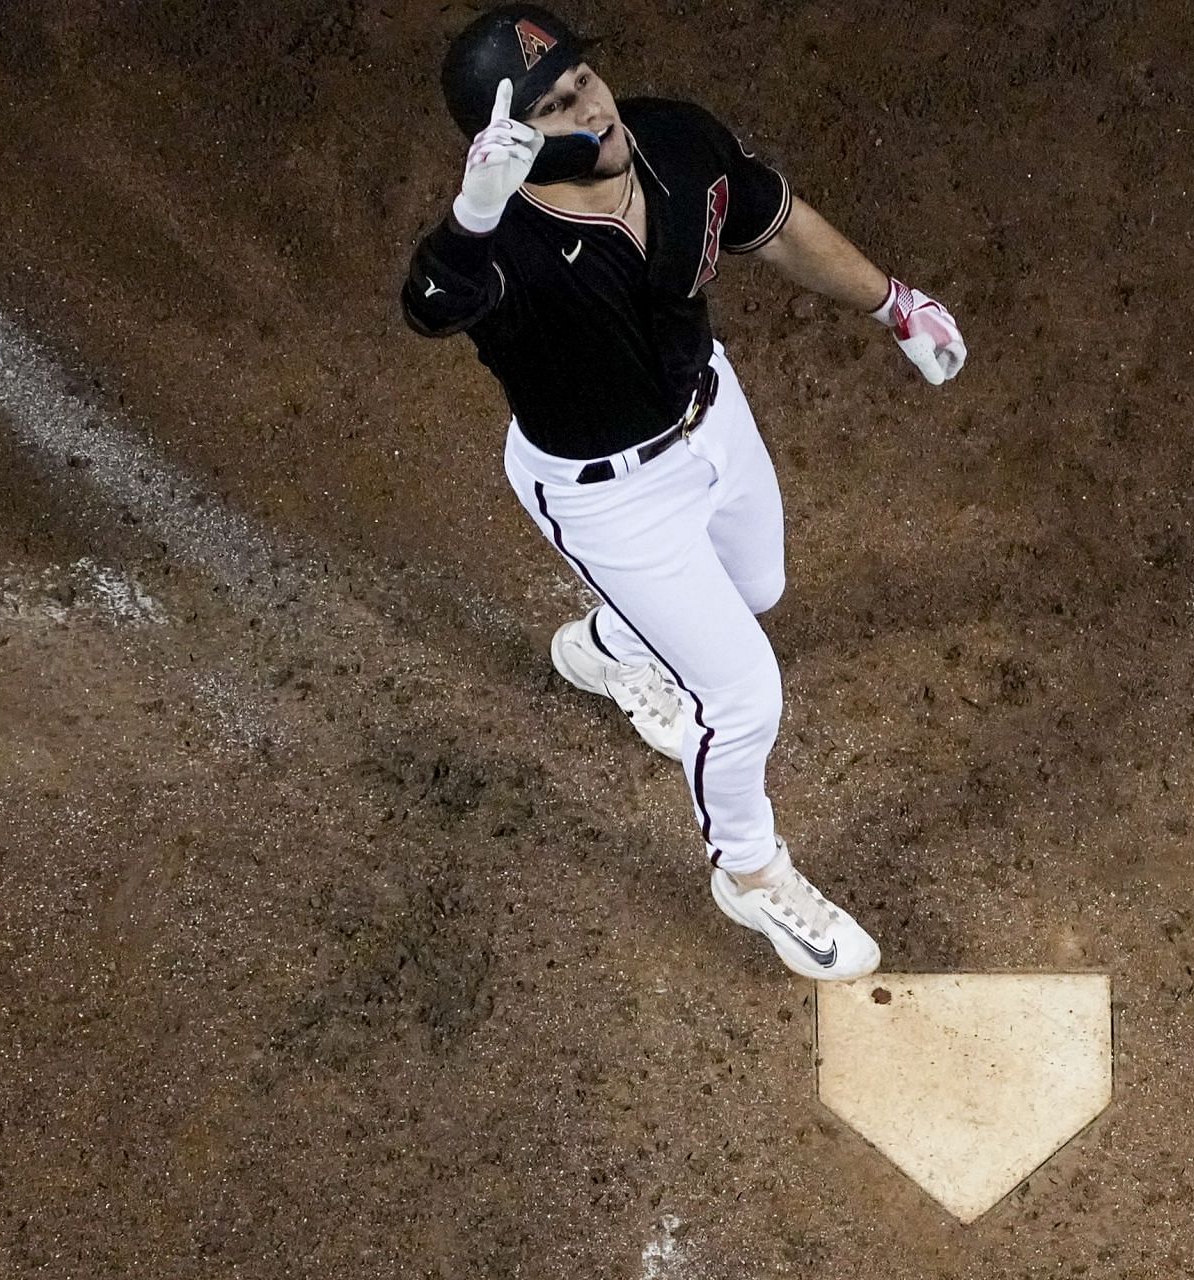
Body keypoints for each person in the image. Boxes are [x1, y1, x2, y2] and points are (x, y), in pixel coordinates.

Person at [400, 4, 966, 982]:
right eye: (551, 104)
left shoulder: (670, 138)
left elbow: (773, 224)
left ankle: (611, 645)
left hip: (714, 410)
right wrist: (471, 217)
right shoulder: (505, 252)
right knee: (743, 695)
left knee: (760, 587)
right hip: (609, 495)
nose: (586, 102)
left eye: (580, 78)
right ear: (512, 139)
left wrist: (892, 300)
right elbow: (427, 307)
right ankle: (750, 871)